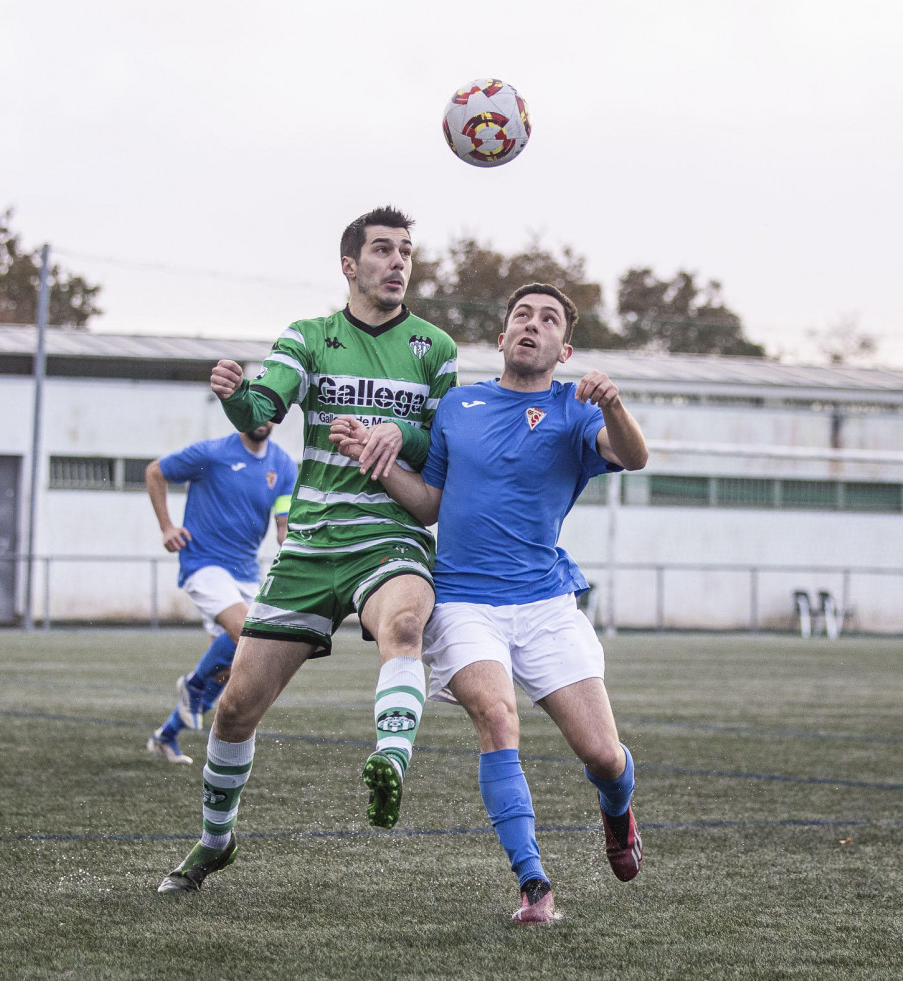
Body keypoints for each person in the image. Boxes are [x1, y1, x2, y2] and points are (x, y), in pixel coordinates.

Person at [157, 206, 458, 893]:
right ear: (349, 265)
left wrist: (396, 435)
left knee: (404, 625)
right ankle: (214, 840)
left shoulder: (434, 349)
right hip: (312, 544)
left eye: (405, 250)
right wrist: (237, 400)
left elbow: (443, 445)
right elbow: (265, 406)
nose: (397, 261)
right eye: (382, 249)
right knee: (234, 708)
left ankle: (389, 756)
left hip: (388, 535)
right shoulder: (310, 336)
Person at [330, 283, 648, 924]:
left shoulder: (575, 410)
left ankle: (619, 815)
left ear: (564, 348)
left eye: (549, 319)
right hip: (464, 603)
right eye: (522, 316)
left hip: (546, 605)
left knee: (604, 756)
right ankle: (534, 884)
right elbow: (431, 505)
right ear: (502, 337)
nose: (533, 325)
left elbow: (634, 456)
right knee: (498, 720)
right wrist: (377, 460)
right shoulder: (457, 405)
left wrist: (612, 403)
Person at [145, 422, 297, 764]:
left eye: (272, 411)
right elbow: (155, 471)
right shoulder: (211, 454)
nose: (263, 418)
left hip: (245, 572)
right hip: (204, 563)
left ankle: (166, 736)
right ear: (242, 411)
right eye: (256, 409)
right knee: (246, 631)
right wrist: (167, 527)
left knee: (243, 660)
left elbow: (284, 526)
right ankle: (194, 687)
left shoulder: (284, 466)